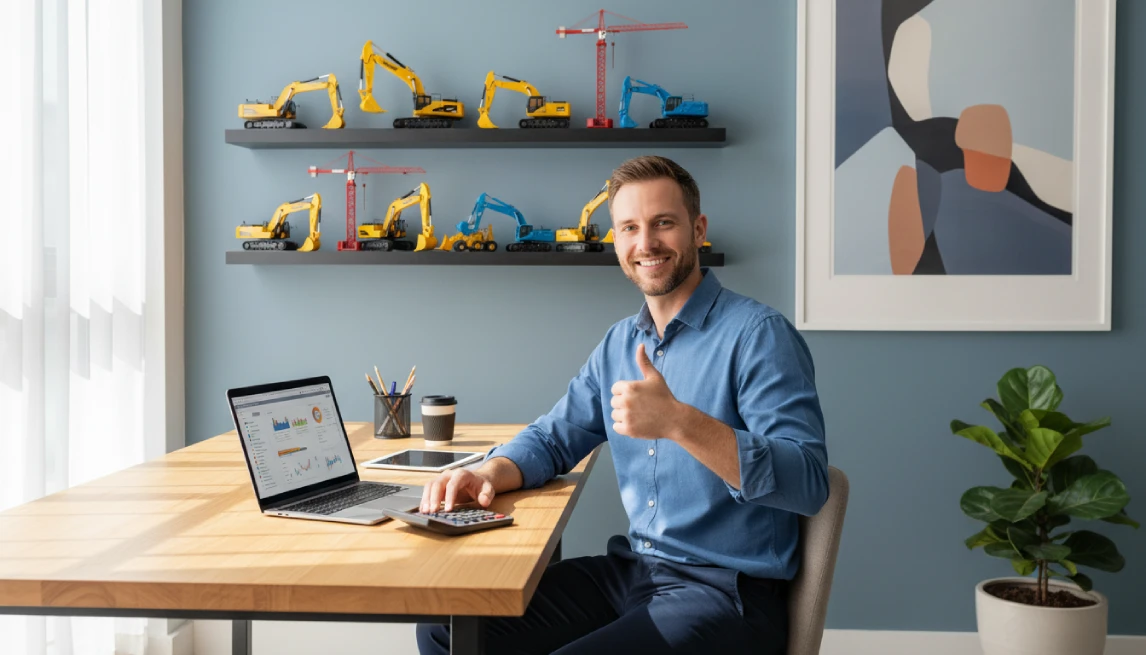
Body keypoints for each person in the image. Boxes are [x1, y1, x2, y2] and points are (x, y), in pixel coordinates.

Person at [416, 155, 829, 655]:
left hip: (724, 592)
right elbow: (553, 437)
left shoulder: (759, 335)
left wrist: (680, 422)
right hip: (634, 571)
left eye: (663, 223)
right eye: (630, 227)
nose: (646, 243)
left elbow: (809, 484)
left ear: (698, 230)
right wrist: (488, 472)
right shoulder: (620, 343)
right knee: (447, 627)